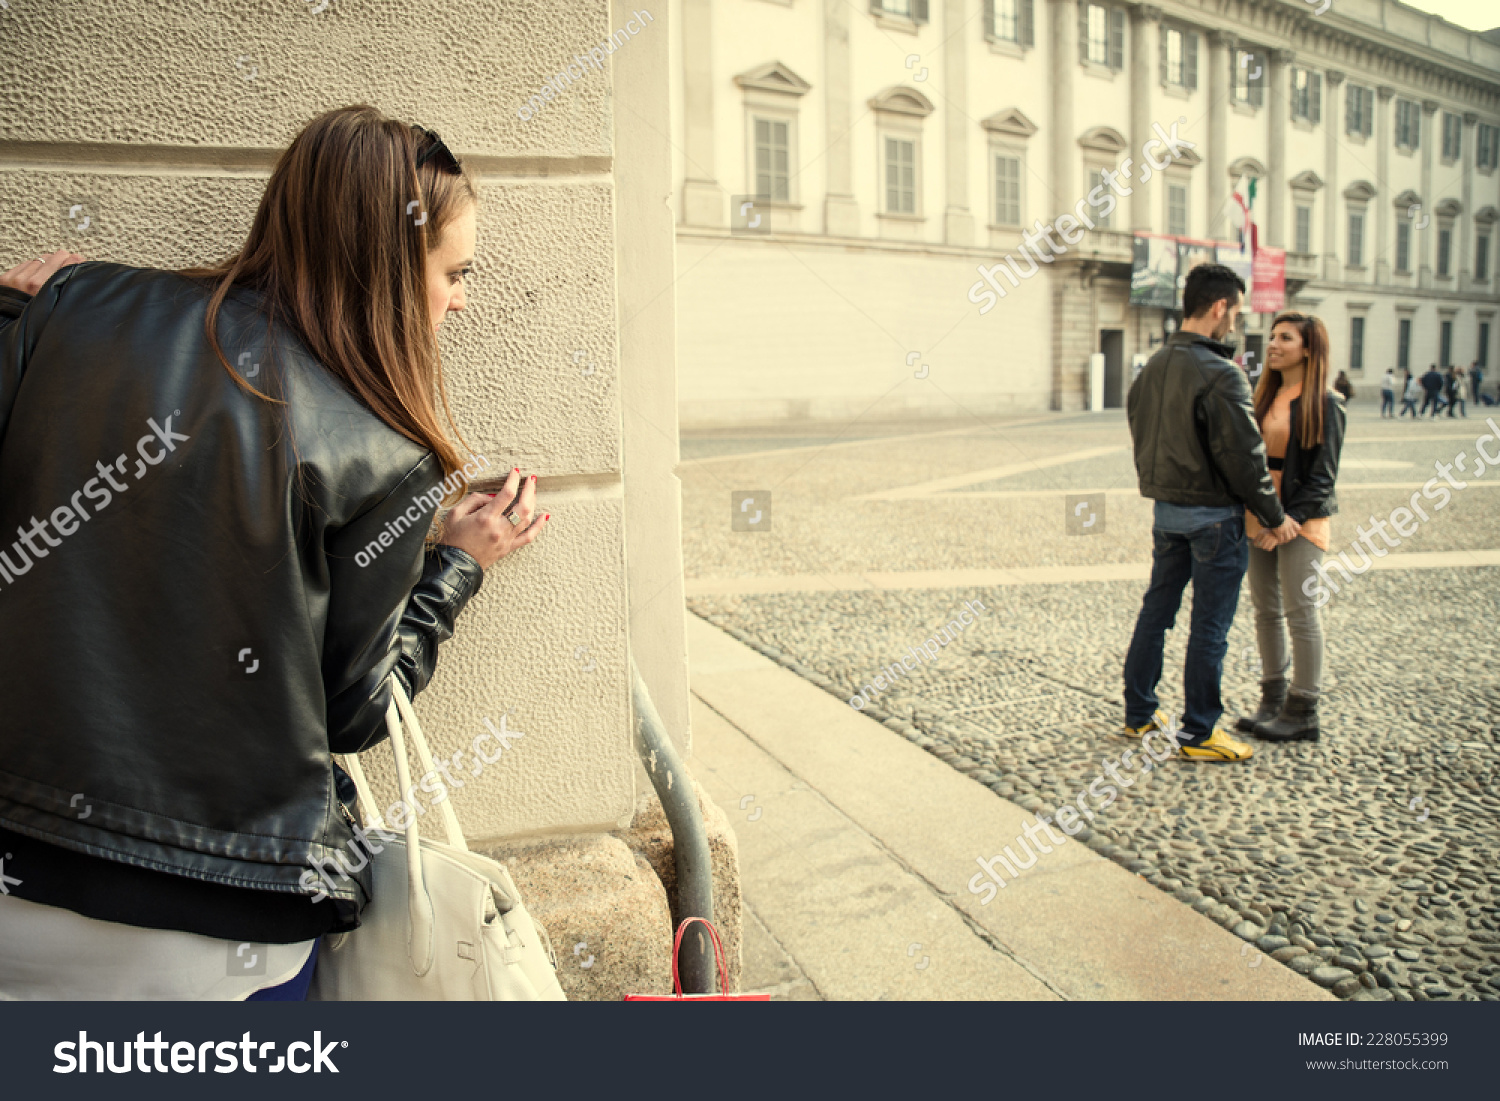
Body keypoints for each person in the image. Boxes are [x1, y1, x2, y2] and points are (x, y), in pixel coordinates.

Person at [0, 107, 551, 999]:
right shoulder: (391, 450)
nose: (461, 298)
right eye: (454, 271)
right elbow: (351, 712)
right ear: (385, 261)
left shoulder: (70, 304)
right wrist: (458, 565)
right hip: (219, 924)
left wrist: (27, 315)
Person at [1121, 263, 1298, 762]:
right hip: (1213, 518)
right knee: (1209, 628)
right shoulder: (1222, 374)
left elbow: (1141, 433)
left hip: (1166, 513)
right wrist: (1271, 513)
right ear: (1220, 307)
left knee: (1156, 612)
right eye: (1236, 312)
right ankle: (1199, 731)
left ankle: (1139, 714)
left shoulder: (1152, 367)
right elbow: (1245, 456)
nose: (1235, 323)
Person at [1235, 313, 1345, 743]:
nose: (1273, 344)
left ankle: (1303, 709)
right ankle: (1272, 697)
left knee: (1301, 613)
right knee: (1265, 611)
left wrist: (1289, 522)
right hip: (1260, 516)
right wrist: (1266, 516)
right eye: (1273, 337)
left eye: (1285, 338)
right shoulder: (1265, 396)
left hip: (1300, 520)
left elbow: (1323, 477)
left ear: (1308, 348)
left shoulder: (1326, 402)